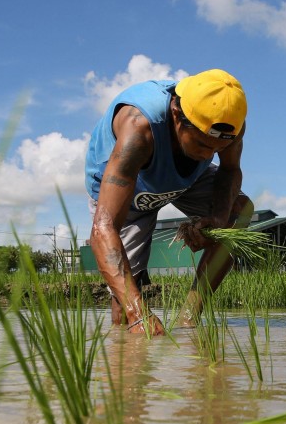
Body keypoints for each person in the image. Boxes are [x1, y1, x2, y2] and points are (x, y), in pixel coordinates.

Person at [85, 68, 253, 336]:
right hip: (133, 181)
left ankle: (189, 319)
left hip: (185, 177)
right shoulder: (139, 128)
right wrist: (138, 314)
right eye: (201, 143)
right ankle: (125, 352)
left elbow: (229, 170)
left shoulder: (230, 125)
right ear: (177, 115)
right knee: (125, 297)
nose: (208, 155)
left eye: (217, 149)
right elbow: (103, 230)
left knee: (239, 211)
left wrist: (218, 220)